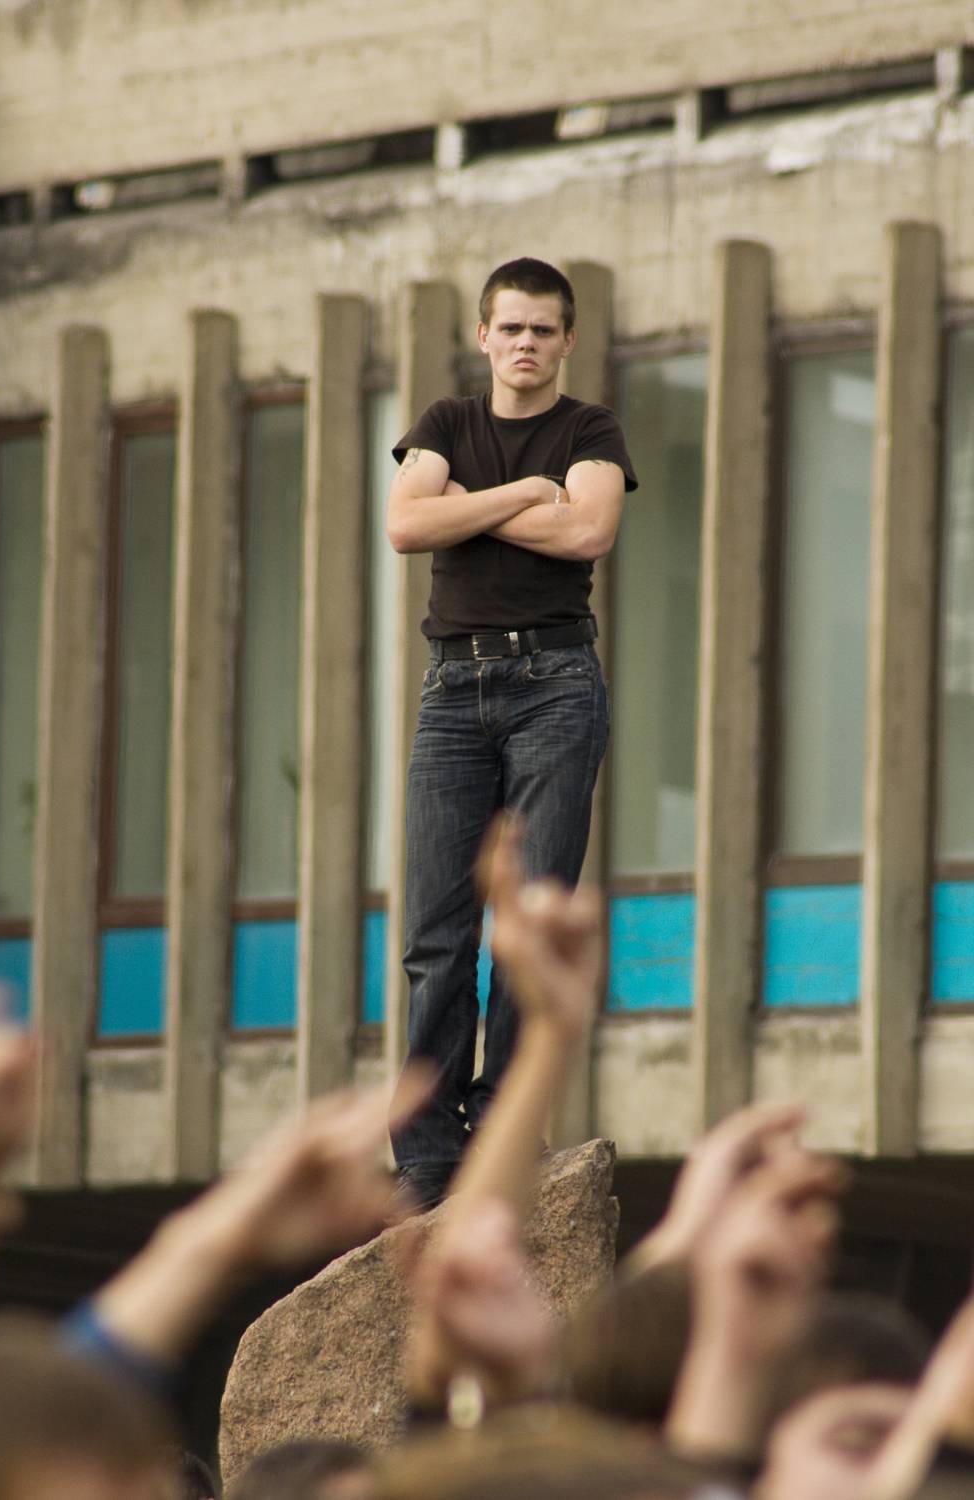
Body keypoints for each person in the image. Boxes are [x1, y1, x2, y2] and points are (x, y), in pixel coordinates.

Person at [387, 256, 637, 1208]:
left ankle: (503, 1125)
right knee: (435, 930)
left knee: (528, 924)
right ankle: (425, 1151)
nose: (526, 343)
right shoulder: (446, 422)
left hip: (555, 686)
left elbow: (588, 535)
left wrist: (465, 510)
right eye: (512, 327)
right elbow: (406, 526)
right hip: (452, 690)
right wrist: (530, 493)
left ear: (567, 340)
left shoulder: (590, 429)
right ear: (483, 336)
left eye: (543, 329)